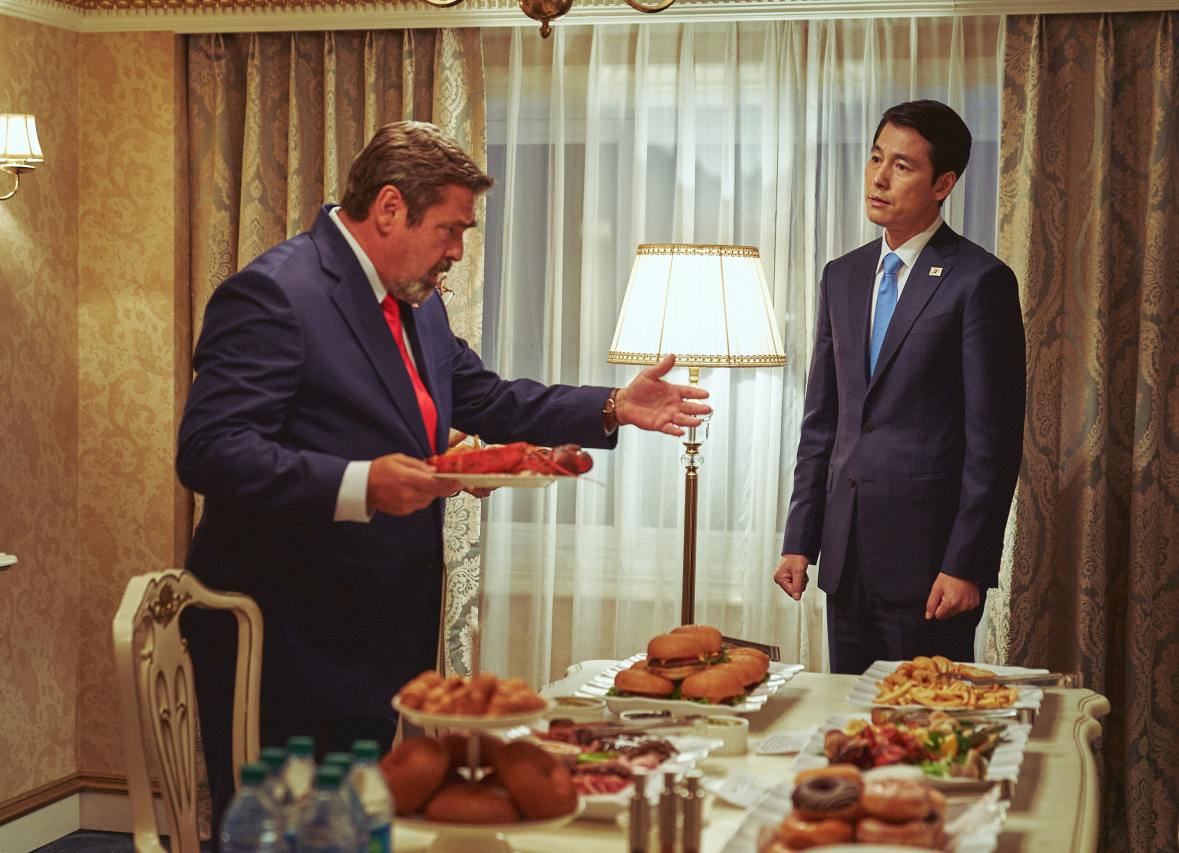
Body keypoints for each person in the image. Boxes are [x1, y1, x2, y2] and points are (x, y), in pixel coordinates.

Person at [176, 121, 711, 829]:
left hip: (377, 630)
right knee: (287, 836)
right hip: (285, 639)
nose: (458, 250)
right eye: (451, 229)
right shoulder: (275, 294)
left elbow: (488, 398)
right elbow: (211, 450)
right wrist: (361, 483)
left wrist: (613, 405)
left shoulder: (416, 303)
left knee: (354, 828)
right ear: (389, 207)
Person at [775, 100, 1025, 675]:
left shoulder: (980, 281)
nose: (879, 178)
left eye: (902, 166)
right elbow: (824, 421)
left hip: (931, 569)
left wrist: (966, 564)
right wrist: (799, 539)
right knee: (850, 716)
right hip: (846, 561)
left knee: (921, 718)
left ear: (943, 184)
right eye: (875, 158)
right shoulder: (842, 275)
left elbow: (993, 443)